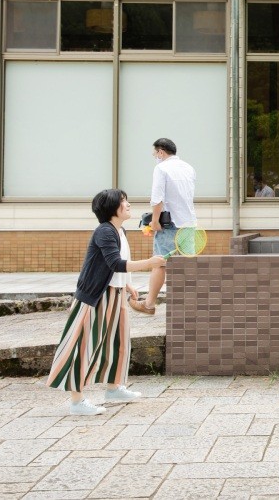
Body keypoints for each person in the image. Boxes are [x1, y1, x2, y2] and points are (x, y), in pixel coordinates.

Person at [47, 189, 166, 415]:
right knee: (82, 346)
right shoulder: (104, 231)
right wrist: (150, 263)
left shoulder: (118, 230)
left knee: (116, 341)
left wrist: (128, 285)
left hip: (114, 293)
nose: (128, 204)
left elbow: (117, 266)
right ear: (113, 208)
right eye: (124, 202)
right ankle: (77, 401)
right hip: (95, 297)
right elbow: (115, 263)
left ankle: (113, 388)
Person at [131, 138, 196, 315]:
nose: (155, 157)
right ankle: (188, 306)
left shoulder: (161, 168)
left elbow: (157, 199)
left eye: (155, 154)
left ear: (161, 152)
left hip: (170, 224)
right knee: (185, 265)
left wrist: (155, 221)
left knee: (160, 263)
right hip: (189, 223)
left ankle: (149, 304)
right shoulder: (188, 168)